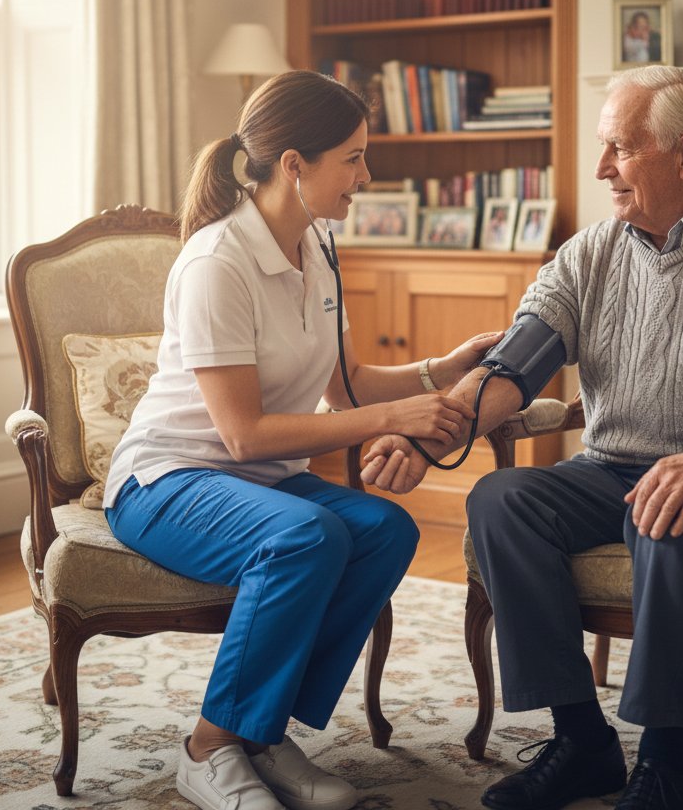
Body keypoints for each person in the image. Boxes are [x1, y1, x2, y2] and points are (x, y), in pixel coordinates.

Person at [359, 65, 683, 810]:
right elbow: (512, 365)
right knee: (500, 500)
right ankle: (582, 740)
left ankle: (666, 763)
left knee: (668, 514)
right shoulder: (589, 253)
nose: (600, 168)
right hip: (612, 468)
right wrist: (425, 435)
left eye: (620, 147)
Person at [103, 70, 502, 810]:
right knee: (307, 537)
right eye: (353, 158)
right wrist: (396, 418)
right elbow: (243, 433)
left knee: (384, 530)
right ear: (294, 164)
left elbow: (346, 384)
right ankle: (208, 748)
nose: (366, 176)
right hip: (166, 482)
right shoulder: (218, 263)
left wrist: (439, 370)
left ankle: (260, 731)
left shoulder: (316, 245)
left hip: (257, 482)